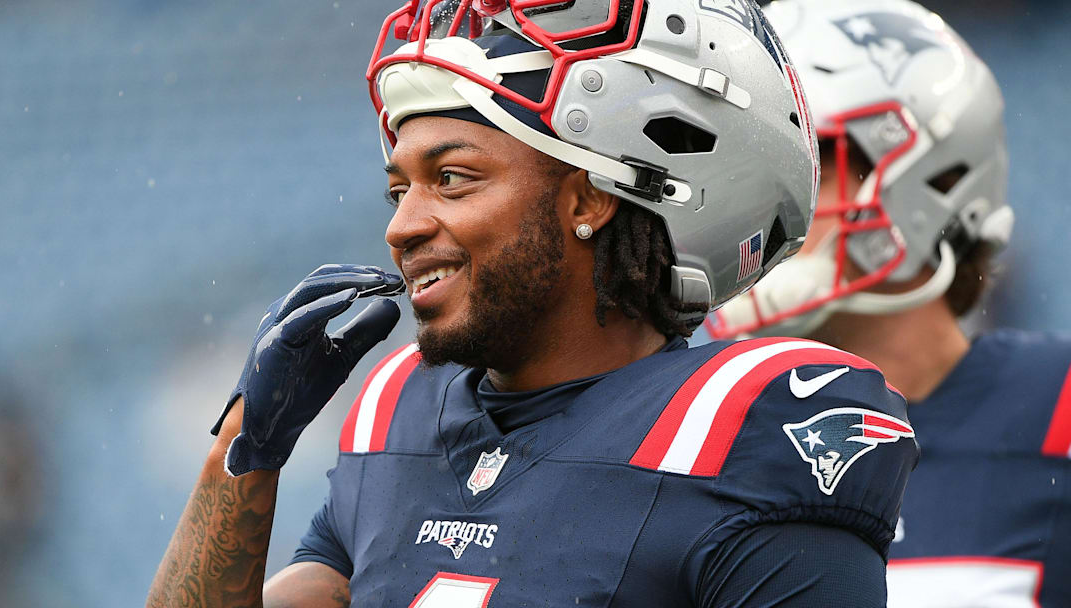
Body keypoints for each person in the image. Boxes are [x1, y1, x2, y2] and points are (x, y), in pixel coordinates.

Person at [147, 1, 918, 606]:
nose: (402, 226)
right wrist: (244, 449)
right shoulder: (398, 412)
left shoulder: (740, 430)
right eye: (398, 188)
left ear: (588, 198)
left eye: (452, 179)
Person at [709, 0, 1071, 605]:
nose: (764, 210)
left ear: (931, 182)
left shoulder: (1057, 403)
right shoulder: (705, 431)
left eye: (809, 167)